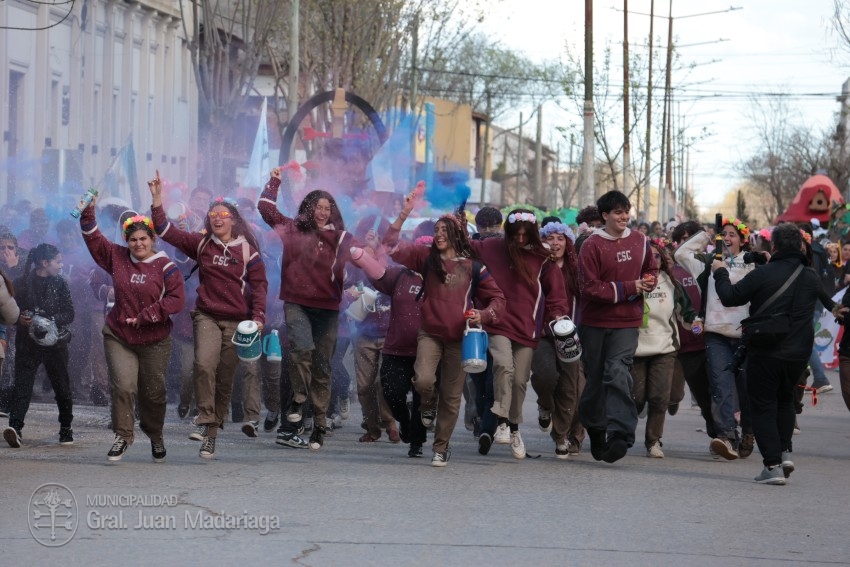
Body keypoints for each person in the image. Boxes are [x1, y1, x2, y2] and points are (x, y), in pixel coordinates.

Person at [150, 171, 268, 459]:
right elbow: (166, 231)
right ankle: (204, 418)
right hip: (206, 316)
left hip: (238, 321)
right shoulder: (201, 243)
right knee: (203, 365)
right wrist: (157, 200)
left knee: (225, 378)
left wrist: (259, 318)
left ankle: (211, 434)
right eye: (213, 214)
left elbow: (260, 285)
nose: (217, 218)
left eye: (223, 214)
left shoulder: (247, 251)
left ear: (233, 220)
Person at [712, 223, 842, 485]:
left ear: (774, 246)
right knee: (784, 401)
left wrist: (720, 273)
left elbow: (729, 296)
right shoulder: (809, 276)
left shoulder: (764, 274)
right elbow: (833, 306)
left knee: (762, 406)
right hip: (798, 354)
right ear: (801, 247)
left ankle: (771, 466)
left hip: (766, 350)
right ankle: (784, 454)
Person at [383, 189, 505, 467]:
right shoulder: (425, 258)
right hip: (430, 335)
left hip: (460, 339)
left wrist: (483, 314)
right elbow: (389, 244)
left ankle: (440, 447)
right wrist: (404, 214)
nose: (438, 234)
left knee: (451, 398)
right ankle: (427, 405)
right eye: (436, 230)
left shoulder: (474, 267)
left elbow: (498, 299)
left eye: (444, 230)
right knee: (423, 381)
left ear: (456, 234)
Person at [258, 167, 355, 451]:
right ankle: (299, 400)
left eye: (328, 208)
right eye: (317, 207)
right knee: (301, 350)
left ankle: (320, 424)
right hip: (297, 303)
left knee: (323, 366)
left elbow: (365, 259)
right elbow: (266, 209)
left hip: (328, 309)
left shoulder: (341, 238)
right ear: (308, 209)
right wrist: (274, 182)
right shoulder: (293, 230)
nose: (322, 212)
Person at [80, 203, 185, 462]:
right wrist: (87, 210)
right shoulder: (116, 256)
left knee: (153, 393)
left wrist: (149, 315)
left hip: (155, 340)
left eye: (143, 239)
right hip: (119, 335)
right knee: (124, 386)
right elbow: (93, 238)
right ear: (126, 241)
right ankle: (123, 436)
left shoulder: (165, 265)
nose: (138, 244)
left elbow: (177, 299)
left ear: (152, 239)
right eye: (133, 240)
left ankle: (155, 434)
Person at [469, 209, 570, 460]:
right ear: (508, 231)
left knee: (519, 381)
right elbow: (461, 247)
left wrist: (558, 315)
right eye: (517, 234)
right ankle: (501, 420)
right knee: (503, 366)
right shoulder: (490, 247)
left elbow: (556, 293)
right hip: (496, 320)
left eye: (526, 234)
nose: (521, 239)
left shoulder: (543, 257)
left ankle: (514, 428)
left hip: (527, 326)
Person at [576, 190, 658, 464]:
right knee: (596, 380)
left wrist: (648, 281)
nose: (624, 217)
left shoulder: (640, 241)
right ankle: (597, 431)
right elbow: (589, 288)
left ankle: (621, 435)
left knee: (617, 372)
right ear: (605, 216)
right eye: (618, 212)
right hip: (594, 323)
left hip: (627, 321)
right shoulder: (592, 245)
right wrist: (629, 287)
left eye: (626, 211)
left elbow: (651, 269)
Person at [674, 218, 756, 460]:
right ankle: (727, 437)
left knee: (747, 389)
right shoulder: (708, 264)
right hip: (716, 336)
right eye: (725, 235)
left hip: (746, 336)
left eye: (733, 234)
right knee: (721, 387)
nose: (728, 239)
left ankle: (749, 431)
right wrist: (705, 236)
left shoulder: (753, 265)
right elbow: (681, 253)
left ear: (742, 239)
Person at [631, 239, 701, 458]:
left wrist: (695, 323)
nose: (653, 259)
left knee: (660, 397)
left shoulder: (672, 284)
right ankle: (635, 412)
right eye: (648, 255)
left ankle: (653, 441)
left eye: (657, 256)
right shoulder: (631, 281)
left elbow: (686, 313)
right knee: (637, 397)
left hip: (665, 349)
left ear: (662, 259)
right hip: (636, 350)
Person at [3, 244, 75, 448]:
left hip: (55, 345)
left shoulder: (60, 284)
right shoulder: (21, 284)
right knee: (23, 387)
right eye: (58, 262)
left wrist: (49, 319)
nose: (61, 266)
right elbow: (9, 312)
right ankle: (15, 429)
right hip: (27, 344)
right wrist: (20, 319)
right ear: (45, 263)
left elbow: (69, 313)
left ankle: (66, 428)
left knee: (62, 386)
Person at [531, 218, 586, 458]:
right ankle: (545, 404)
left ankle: (563, 436)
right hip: (542, 334)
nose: (554, 243)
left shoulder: (577, 270)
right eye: (549, 238)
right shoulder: (535, 267)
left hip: (572, 335)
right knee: (545, 376)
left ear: (568, 243)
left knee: (573, 388)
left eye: (560, 238)